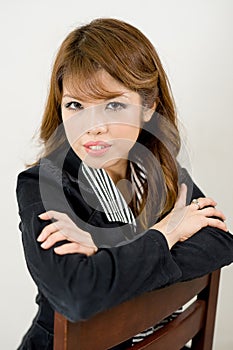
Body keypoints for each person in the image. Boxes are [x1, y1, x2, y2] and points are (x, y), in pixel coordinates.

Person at [16, 18, 233, 350]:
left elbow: (218, 241)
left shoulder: (161, 171)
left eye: (113, 105)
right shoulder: (42, 185)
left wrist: (106, 253)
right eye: (75, 105)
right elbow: (78, 295)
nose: (93, 127)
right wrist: (168, 232)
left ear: (149, 107)